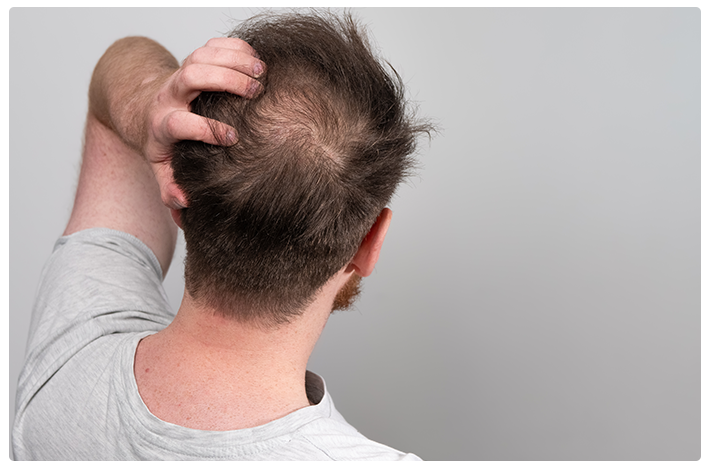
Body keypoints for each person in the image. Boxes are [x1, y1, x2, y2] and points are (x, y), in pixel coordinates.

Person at [12, 10, 430, 460]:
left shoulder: (73, 348)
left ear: (177, 195)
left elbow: (120, 66)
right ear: (370, 244)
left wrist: (150, 102)